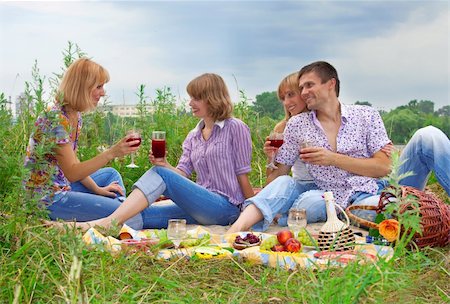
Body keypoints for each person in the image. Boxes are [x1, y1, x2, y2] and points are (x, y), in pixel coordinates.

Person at [54, 73, 253, 231]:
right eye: (191, 97)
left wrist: (251, 211)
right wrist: (165, 165)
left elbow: (242, 175)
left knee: (159, 176)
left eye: (196, 98)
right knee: (141, 214)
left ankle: (106, 223)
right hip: (199, 205)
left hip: (226, 207)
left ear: (212, 98)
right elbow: (182, 174)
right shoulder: (194, 135)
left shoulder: (235, 128)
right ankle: (80, 227)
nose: (190, 103)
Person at [25, 58, 141, 225]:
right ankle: (123, 216)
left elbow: (73, 161)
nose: (103, 93)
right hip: (48, 198)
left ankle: (119, 212)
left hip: (62, 186)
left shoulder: (74, 115)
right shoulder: (55, 119)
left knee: (111, 176)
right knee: (131, 216)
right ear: (82, 88)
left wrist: (98, 190)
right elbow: (72, 172)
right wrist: (111, 153)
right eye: (99, 87)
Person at [229, 72, 316, 232]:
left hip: (320, 190)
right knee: (283, 185)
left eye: (291, 95)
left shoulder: (321, 122)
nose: (287, 102)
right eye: (283, 98)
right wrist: (271, 158)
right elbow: (272, 181)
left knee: (308, 203)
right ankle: (239, 227)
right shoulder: (281, 128)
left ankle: (280, 217)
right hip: (297, 186)